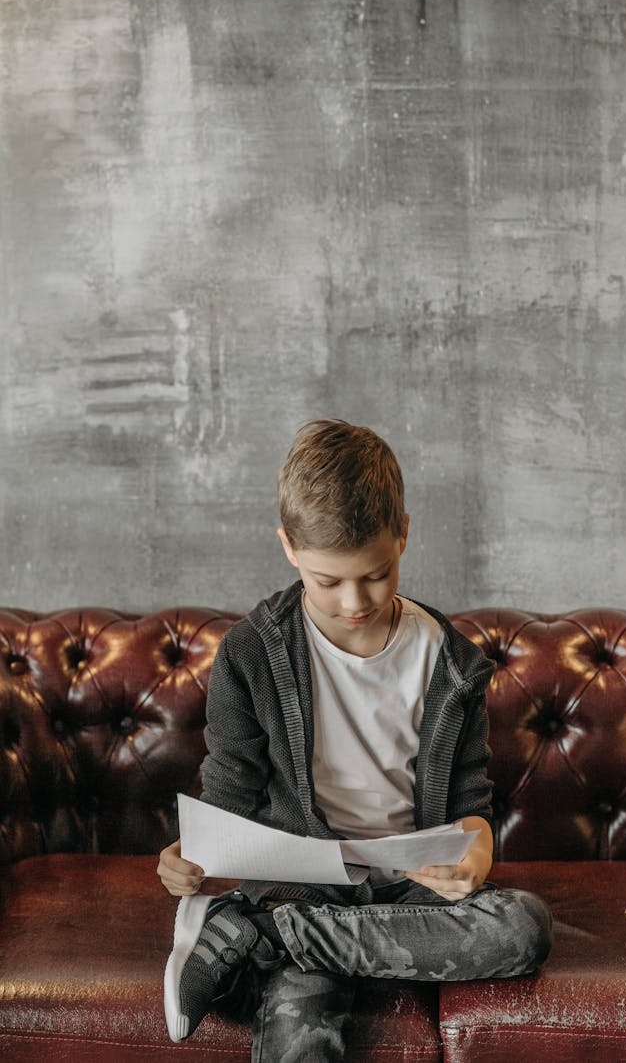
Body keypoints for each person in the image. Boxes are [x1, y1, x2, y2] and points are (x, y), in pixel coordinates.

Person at [158, 419, 552, 1060]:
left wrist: (474, 858)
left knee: (524, 928)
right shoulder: (252, 653)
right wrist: (195, 858)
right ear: (288, 547)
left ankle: (263, 937)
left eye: (375, 574)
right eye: (326, 581)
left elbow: (469, 811)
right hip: (301, 884)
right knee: (300, 1026)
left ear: (403, 533)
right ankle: (286, 929)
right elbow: (229, 795)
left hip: (407, 893)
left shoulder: (451, 665)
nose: (352, 601)